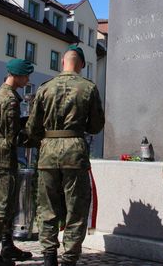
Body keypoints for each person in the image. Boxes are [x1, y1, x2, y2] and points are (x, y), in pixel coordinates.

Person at [25, 45, 105, 266]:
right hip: (74, 151)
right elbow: (97, 125)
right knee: (76, 208)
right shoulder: (88, 88)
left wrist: (45, 137)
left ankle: (49, 257)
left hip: (48, 151)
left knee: (47, 207)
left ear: (63, 62)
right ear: (80, 64)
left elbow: (32, 127)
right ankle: (69, 259)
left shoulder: (45, 88)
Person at [0, 59, 34, 266]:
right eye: (26, 76)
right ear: (18, 76)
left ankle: (7, 246)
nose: (28, 79)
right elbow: (12, 135)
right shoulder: (11, 100)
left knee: (9, 203)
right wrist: (32, 132)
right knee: (2, 206)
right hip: (3, 155)